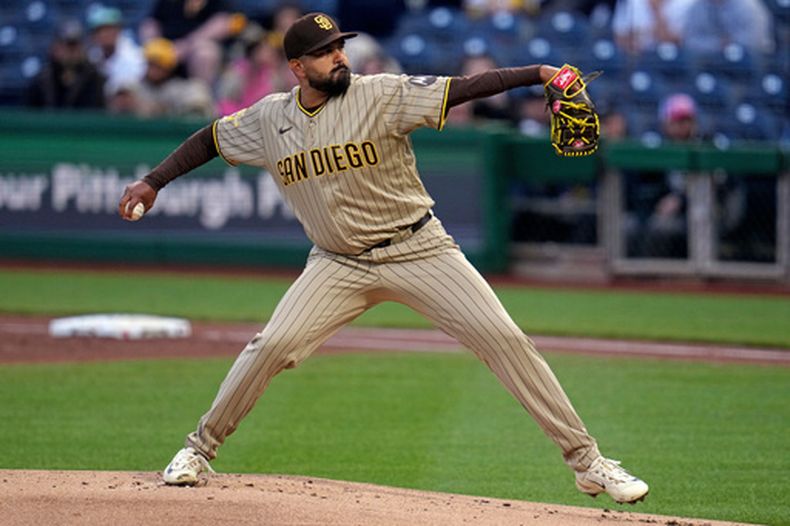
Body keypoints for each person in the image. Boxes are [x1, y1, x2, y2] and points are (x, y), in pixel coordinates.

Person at [118, 12, 649, 505]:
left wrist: (537, 72)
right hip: (336, 263)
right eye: (326, 52)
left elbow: (461, 89)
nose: (340, 57)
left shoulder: (382, 94)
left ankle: (588, 461)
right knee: (271, 345)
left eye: (340, 47)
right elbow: (210, 139)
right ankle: (199, 449)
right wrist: (152, 181)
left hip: (419, 248)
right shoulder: (270, 118)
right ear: (298, 67)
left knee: (506, 339)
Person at [26, 19, 105, 109]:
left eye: (76, 45)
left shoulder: (95, 80)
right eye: (68, 45)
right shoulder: (41, 80)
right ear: (55, 47)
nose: (72, 51)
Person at [86, 5, 146, 97]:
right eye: (100, 31)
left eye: (109, 29)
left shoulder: (134, 57)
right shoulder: (91, 54)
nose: (105, 34)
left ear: (119, 30)